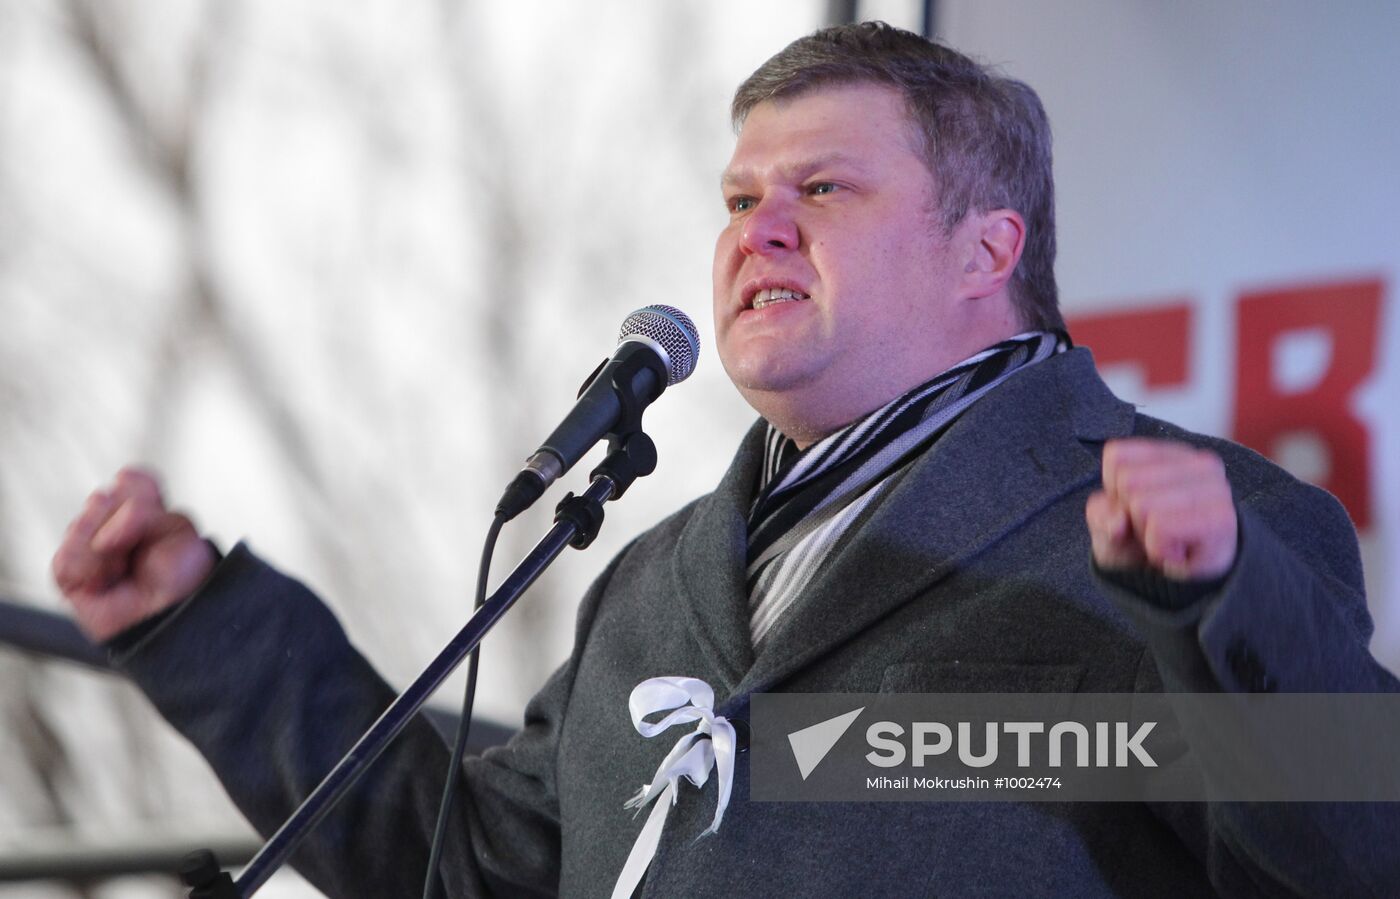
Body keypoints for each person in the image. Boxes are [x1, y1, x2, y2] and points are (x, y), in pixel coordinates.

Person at [51, 22, 1397, 898]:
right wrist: (201, 629)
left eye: (821, 191)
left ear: (987, 248)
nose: (756, 231)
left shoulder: (1200, 533)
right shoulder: (650, 581)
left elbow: (1356, 852)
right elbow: (475, 870)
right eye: (740, 199)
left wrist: (1215, 606)